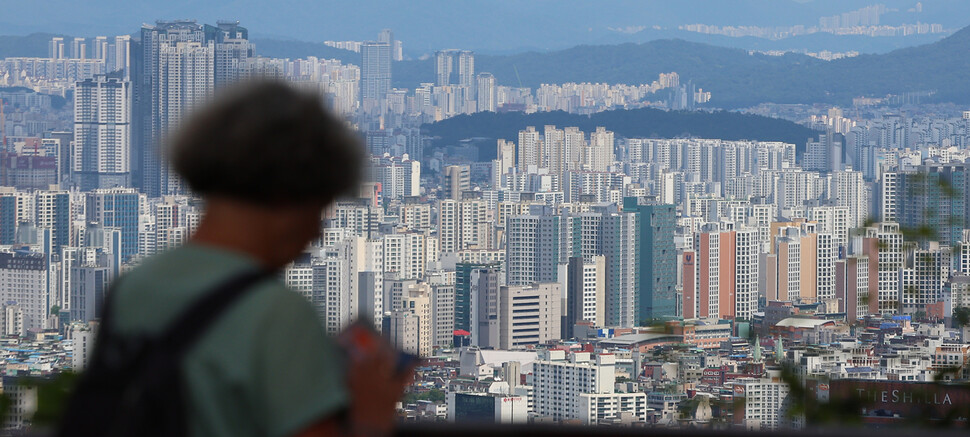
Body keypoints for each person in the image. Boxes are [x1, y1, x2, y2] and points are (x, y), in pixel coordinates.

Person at [104, 80, 408, 437]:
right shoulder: (277, 314)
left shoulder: (132, 287)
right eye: (319, 209)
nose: (317, 233)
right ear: (285, 197)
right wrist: (370, 415)